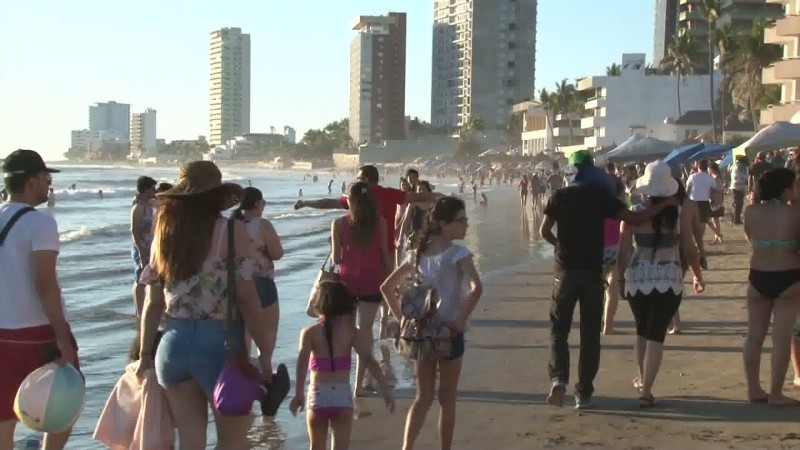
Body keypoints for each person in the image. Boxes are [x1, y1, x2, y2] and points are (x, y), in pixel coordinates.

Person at [136, 161, 273, 449]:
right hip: (220, 346)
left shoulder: (164, 234)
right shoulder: (231, 232)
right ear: (216, 196)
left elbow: (153, 304)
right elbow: (247, 299)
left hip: (172, 345)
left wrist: (146, 353)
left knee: (190, 442)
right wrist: (265, 354)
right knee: (233, 442)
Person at [539, 150, 678, 410]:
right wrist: (664, 205)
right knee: (590, 333)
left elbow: (543, 230)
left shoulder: (559, 196)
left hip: (565, 272)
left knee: (559, 331)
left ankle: (558, 380)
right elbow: (635, 219)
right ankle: (584, 394)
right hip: (592, 272)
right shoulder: (602, 197)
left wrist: (559, 247)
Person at [381, 197, 482, 450]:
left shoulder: (416, 254)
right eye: (461, 220)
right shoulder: (459, 253)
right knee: (447, 398)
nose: (466, 225)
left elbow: (387, 287)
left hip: (421, 333)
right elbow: (476, 288)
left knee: (423, 397)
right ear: (443, 224)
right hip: (448, 332)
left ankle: (407, 447)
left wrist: (402, 318)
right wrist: (460, 319)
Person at [0, 150, 78, 450]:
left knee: (3, 419)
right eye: (46, 178)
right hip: (38, 333)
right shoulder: (40, 223)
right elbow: (45, 284)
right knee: (65, 403)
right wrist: (62, 338)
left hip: (2, 333)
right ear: (31, 181)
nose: (48, 186)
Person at [617, 161, 705, 407]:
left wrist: (621, 279)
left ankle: (642, 380)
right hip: (668, 278)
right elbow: (689, 248)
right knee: (656, 334)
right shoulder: (679, 213)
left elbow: (623, 251)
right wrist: (698, 275)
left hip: (637, 278)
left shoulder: (634, 212)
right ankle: (646, 390)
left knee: (642, 331)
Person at [289, 281, 394, 449]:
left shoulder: (309, 333)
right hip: (342, 397)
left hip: (318, 396)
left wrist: (298, 394)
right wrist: (385, 388)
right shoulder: (351, 331)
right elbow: (368, 359)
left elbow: (302, 366)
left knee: (316, 446)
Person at [742, 168, 800, 406]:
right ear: (786, 188)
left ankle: (754, 389)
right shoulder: (795, 213)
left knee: (754, 337)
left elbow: (750, 238)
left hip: (758, 276)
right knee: (781, 338)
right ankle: (776, 393)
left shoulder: (751, 211)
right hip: (789, 277)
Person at [331, 182, 392, 397]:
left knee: (345, 334)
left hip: (346, 283)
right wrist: (393, 281)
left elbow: (336, 258)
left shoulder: (339, 224)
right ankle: (358, 387)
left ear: (350, 200)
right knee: (365, 333)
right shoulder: (380, 223)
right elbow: (384, 254)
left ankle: (341, 383)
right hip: (372, 282)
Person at [233, 187, 284, 393]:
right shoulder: (262, 225)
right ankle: (266, 381)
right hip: (262, 283)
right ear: (256, 204)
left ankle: (243, 384)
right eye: (263, 202)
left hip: (236, 285)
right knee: (267, 338)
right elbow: (277, 253)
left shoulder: (230, 225)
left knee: (242, 339)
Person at [602, 177, 626, 335]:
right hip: (613, 247)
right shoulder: (621, 206)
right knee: (613, 288)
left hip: (596, 248)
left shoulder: (596, 204)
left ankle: (594, 322)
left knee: (596, 288)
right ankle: (608, 326)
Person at [131, 176, 157, 321]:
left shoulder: (151, 204)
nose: (155, 191)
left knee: (148, 277)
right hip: (141, 246)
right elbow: (134, 231)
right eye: (152, 188)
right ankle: (139, 311)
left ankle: (145, 308)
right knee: (139, 278)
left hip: (151, 246)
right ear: (146, 189)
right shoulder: (138, 207)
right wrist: (140, 251)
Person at [686, 160, 716, 270]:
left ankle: (695, 244)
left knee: (692, 223)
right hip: (704, 202)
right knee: (702, 225)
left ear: (698, 167)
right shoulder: (709, 178)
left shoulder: (693, 177)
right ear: (706, 167)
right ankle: (699, 244)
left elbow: (687, 190)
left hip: (693, 202)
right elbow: (714, 190)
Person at [708, 162, 725, 244]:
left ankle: (717, 236)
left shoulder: (717, 177)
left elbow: (720, 188)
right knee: (715, 219)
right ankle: (717, 236)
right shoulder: (714, 177)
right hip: (715, 200)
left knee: (714, 219)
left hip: (716, 200)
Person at [730, 156, 749, 225]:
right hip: (739, 187)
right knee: (738, 204)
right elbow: (744, 177)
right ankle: (736, 220)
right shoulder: (740, 168)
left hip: (735, 186)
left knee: (736, 204)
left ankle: (735, 219)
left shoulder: (734, 166)